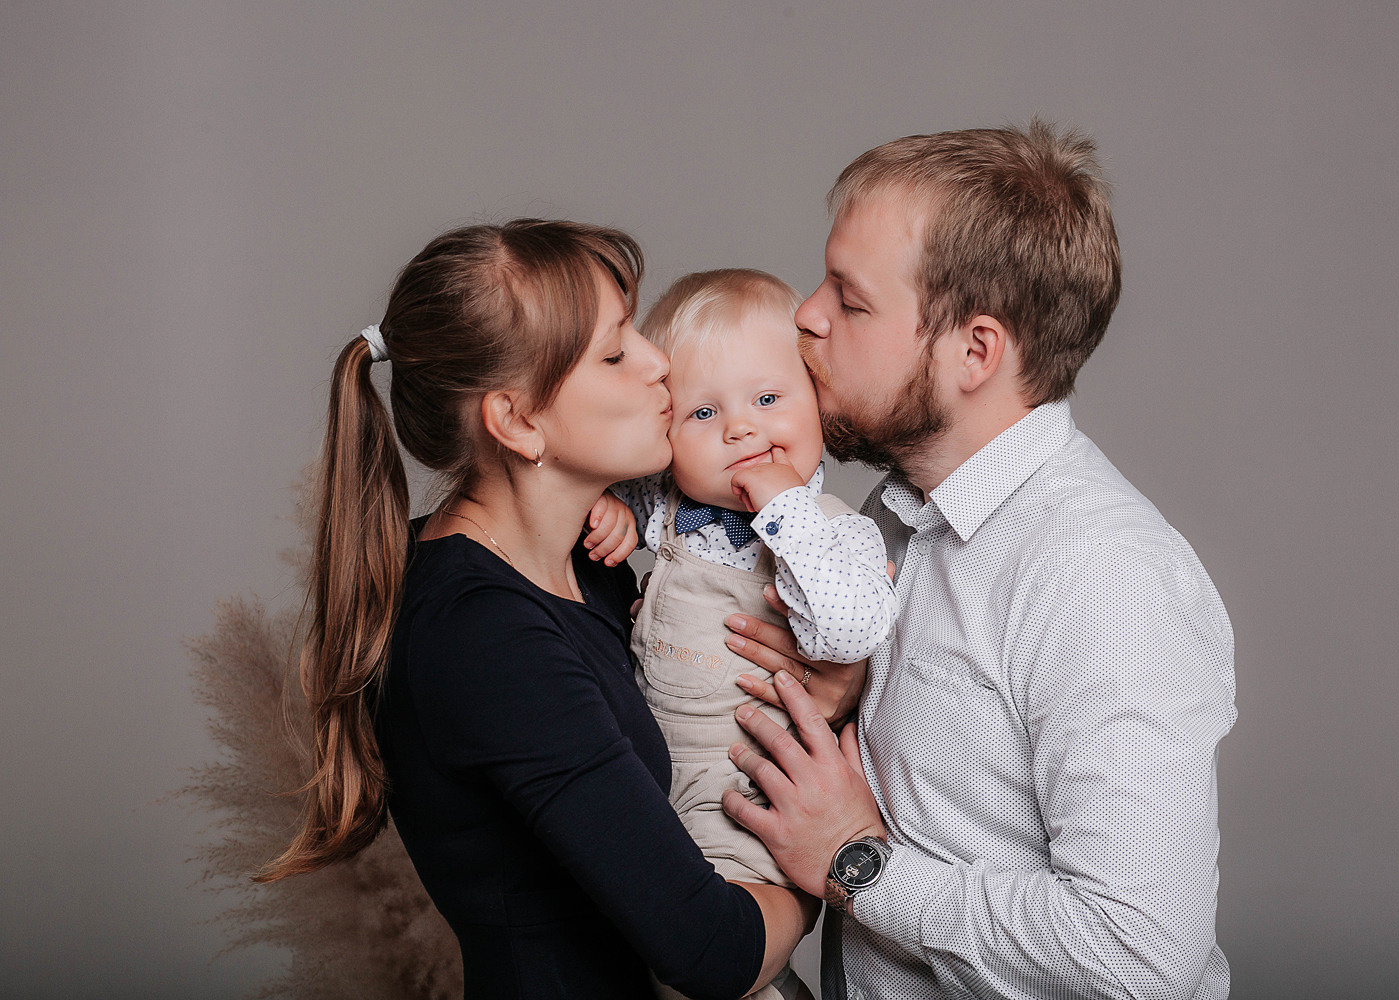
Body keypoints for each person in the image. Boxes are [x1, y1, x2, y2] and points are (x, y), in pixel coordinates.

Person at [255, 220, 854, 1000]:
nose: (658, 364)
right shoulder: (482, 640)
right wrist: (829, 855)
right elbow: (713, 951)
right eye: (615, 353)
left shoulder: (587, 564)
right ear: (519, 422)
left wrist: (826, 688)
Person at [719, 123, 1240, 1000]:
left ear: (975, 351)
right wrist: (854, 686)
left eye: (850, 301)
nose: (806, 315)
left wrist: (858, 863)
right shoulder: (881, 519)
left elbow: (1142, 957)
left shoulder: (1105, 579)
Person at [606, 269, 898, 1000]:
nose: (741, 428)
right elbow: (600, 494)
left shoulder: (834, 530)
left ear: (818, 408)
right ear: (667, 436)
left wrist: (783, 506)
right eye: (703, 413)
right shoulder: (670, 508)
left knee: (705, 960)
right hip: (651, 773)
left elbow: (848, 628)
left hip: (747, 779)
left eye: (768, 400)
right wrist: (612, 518)